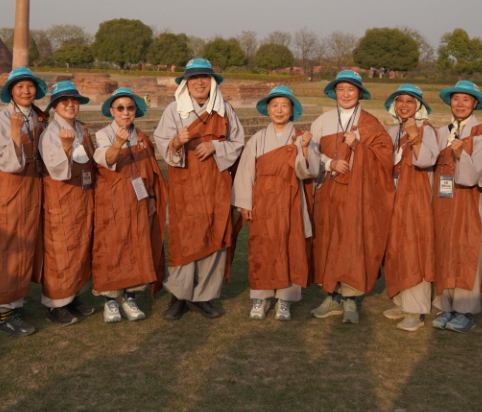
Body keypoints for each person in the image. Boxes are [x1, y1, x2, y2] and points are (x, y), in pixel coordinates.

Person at [153, 58, 245, 320]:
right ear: (186, 83)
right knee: (184, 238)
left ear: (212, 81)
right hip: (185, 185)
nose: (199, 82)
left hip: (216, 185)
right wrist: (175, 141)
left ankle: (204, 297)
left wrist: (216, 146)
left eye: (204, 77)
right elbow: (162, 142)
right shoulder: (174, 110)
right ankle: (179, 297)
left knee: (214, 235)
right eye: (193, 78)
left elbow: (238, 142)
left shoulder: (225, 110)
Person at [309, 70, 393, 324]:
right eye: (341, 89)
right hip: (328, 192)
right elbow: (310, 154)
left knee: (353, 242)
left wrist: (358, 146)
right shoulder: (322, 121)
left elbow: (385, 158)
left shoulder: (371, 123)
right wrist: (330, 163)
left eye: (351, 89)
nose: (346, 94)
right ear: (334, 92)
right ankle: (331, 295)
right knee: (327, 240)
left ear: (359, 93)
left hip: (358, 196)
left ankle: (350, 299)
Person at [233, 86, 319, 321]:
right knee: (262, 247)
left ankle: (285, 300)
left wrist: (304, 148)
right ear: (268, 109)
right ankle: (260, 297)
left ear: (292, 110)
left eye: (284, 105)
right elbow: (246, 172)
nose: (279, 110)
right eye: (275, 105)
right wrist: (245, 203)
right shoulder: (258, 138)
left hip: (291, 201)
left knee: (291, 246)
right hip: (262, 202)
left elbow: (309, 172)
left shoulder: (302, 137)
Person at [92, 87, 168, 323]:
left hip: (139, 200)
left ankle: (131, 297)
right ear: (112, 111)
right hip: (112, 201)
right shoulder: (103, 134)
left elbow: (150, 172)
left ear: (136, 111)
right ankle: (110, 300)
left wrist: (152, 198)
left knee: (137, 246)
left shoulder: (142, 137)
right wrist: (118, 143)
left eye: (130, 108)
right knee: (112, 247)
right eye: (120, 108)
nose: (125, 112)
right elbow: (107, 159)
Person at [0, 67, 49, 336]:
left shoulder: (38, 117)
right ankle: (4, 313)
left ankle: (11, 302)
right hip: (10, 188)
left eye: (29, 86)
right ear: (10, 91)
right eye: (19, 87)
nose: (25, 91)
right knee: (7, 246)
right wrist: (15, 131)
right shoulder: (1, 120)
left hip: (32, 187)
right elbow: (8, 162)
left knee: (25, 244)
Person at [431, 80, 482, 333]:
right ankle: (446, 305)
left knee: (467, 253)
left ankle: (466, 310)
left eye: (466, 99)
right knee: (444, 251)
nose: (460, 104)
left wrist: (460, 154)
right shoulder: (440, 132)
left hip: (469, 203)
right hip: (443, 202)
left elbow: (474, 175)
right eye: (456, 99)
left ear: (475, 103)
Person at [381, 85, 439, 332]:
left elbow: (426, 160)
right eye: (400, 101)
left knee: (415, 250)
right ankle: (401, 302)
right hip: (394, 198)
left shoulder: (428, 130)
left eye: (410, 101)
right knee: (395, 249)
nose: (404, 105)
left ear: (419, 106)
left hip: (416, 199)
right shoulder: (393, 131)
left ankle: (416, 309)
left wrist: (414, 134)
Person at [38, 81, 96, 326]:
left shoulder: (81, 128)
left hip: (82, 197)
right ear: (55, 106)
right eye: (64, 101)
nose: (70, 105)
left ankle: (72, 297)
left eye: (74, 101)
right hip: (60, 198)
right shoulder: (50, 133)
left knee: (79, 247)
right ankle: (55, 304)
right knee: (59, 251)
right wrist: (65, 147)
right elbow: (57, 170)